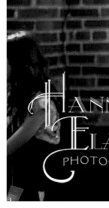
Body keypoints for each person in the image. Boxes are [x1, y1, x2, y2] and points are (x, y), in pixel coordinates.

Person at [7, 33, 61, 201]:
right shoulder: (15, 97)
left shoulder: (40, 103)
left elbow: (9, 148)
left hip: (33, 187)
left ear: (18, 66)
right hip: (17, 181)